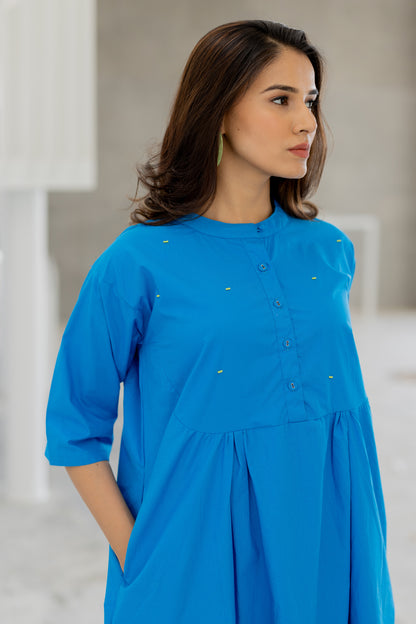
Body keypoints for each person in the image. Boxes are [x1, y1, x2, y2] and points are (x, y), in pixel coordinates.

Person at [44, 19, 395, 624]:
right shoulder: (137, 263)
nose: (307, 122)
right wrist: (141, 555)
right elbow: (75, 424)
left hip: (333, 543)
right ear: (219, 111)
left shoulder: (328, 251)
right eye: (281, 100)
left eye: (310, 101)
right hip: (193, 562)